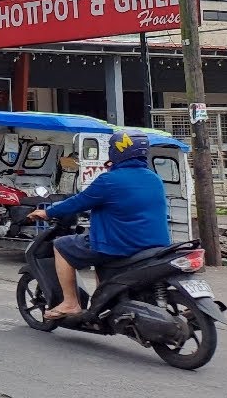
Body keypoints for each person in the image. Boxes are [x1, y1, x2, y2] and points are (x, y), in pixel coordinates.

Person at [28, 131, 170, 321]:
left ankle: (70, 303)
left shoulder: (109, 180)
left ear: (116, 153)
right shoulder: (154, 179)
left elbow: (79, 201)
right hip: (155, 246)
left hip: (120, 244)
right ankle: (104, 302)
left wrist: (47, 212)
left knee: (62, 245)